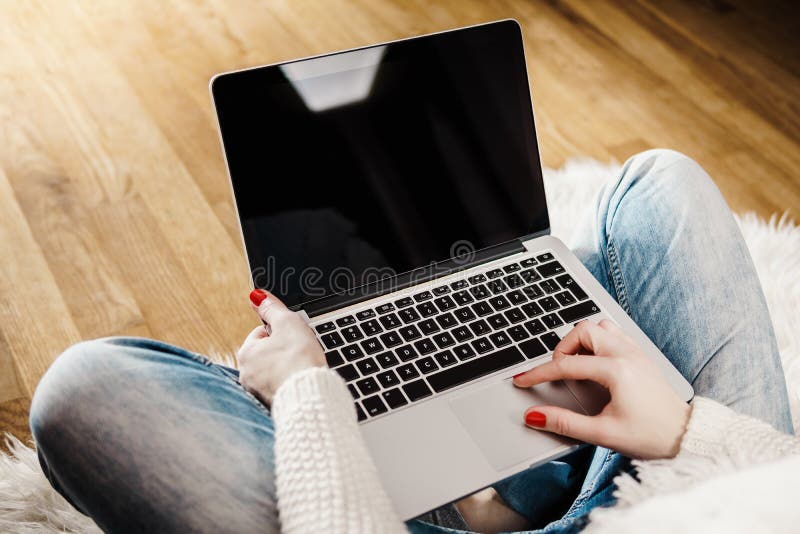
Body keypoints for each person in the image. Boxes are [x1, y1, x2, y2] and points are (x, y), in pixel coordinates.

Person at [29, 150, 795, 533]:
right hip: (683, 494)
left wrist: (305, 393)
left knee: (86, 391)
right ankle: (521, 491)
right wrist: (688, 431)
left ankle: (487, 495)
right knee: (658, 183)